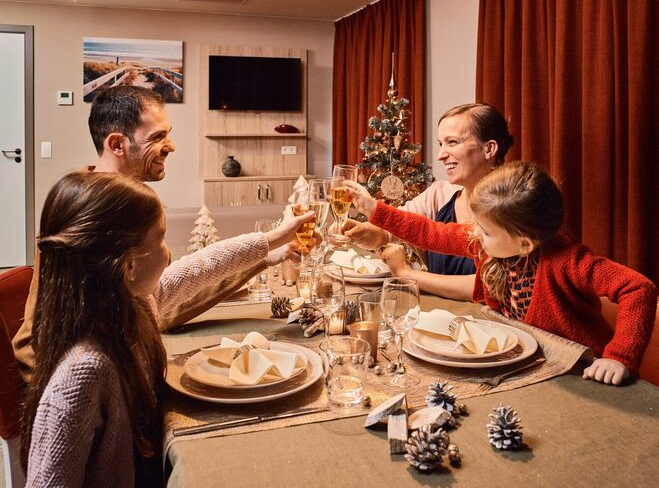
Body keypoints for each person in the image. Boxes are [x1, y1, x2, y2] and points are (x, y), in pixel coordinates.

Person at [21, 171, 311, 485]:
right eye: (160, 238)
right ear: (128, 266)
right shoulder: (82, 373)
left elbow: (199, 269)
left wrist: (273, 241)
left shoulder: (133, 303)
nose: (168, 252)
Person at [13, 86, 295, 382]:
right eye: (158, 136)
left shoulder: (125, 201)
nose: (170, 146)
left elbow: (158, 298)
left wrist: (268, 252)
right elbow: (40, 341)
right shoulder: (85, 212)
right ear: (117, 144)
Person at [345, 161, 657, 385]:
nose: (475, 235)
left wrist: (618, 357)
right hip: (531, 366)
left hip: (581, 372)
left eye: (485, 231)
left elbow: (638, 288)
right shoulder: (489, 243)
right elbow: (432, 233)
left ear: (524, 244)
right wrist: (376, 210)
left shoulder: (567, 262)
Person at [342, 103, 514, 300]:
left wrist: (407, 274)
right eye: (441, 144)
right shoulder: (440, 193)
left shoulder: (512, 205)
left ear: (489, 148)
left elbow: (490, 286)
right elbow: (395, 230)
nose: (441, 155)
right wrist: (363, 232)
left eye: (452, 142)